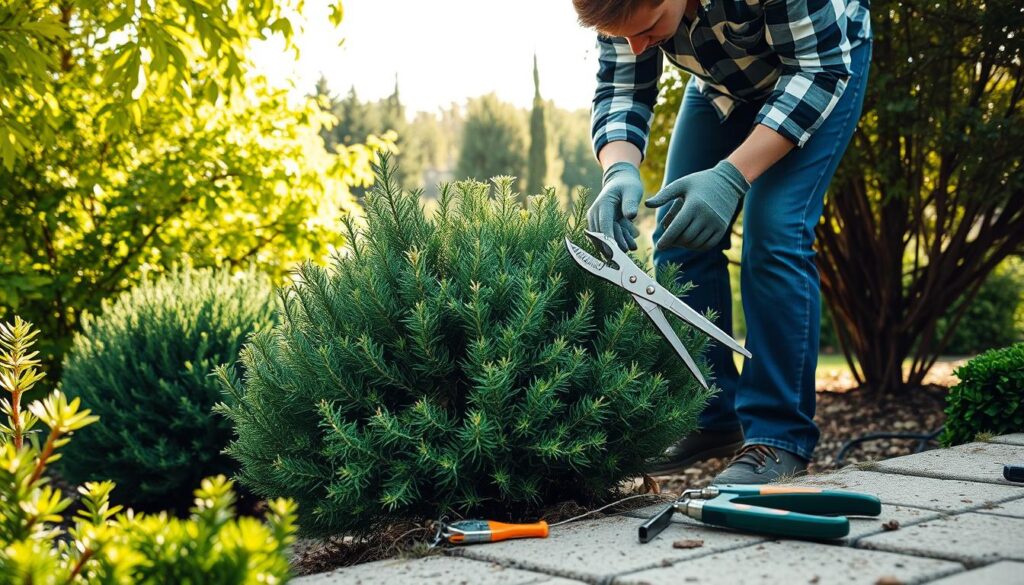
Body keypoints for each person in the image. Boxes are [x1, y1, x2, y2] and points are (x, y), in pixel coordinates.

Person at [572, 0, 872, 484]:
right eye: (622, 36)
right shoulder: (625, 8)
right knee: (678, 231)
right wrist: (619, 169)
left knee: (775, 232)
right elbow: (621, 86)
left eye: (648, 28)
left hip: (819, 67)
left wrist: (732, 177)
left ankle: (778, 438)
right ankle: (713, 416)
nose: (636, 46)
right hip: (724, 85)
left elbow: (818, 71)